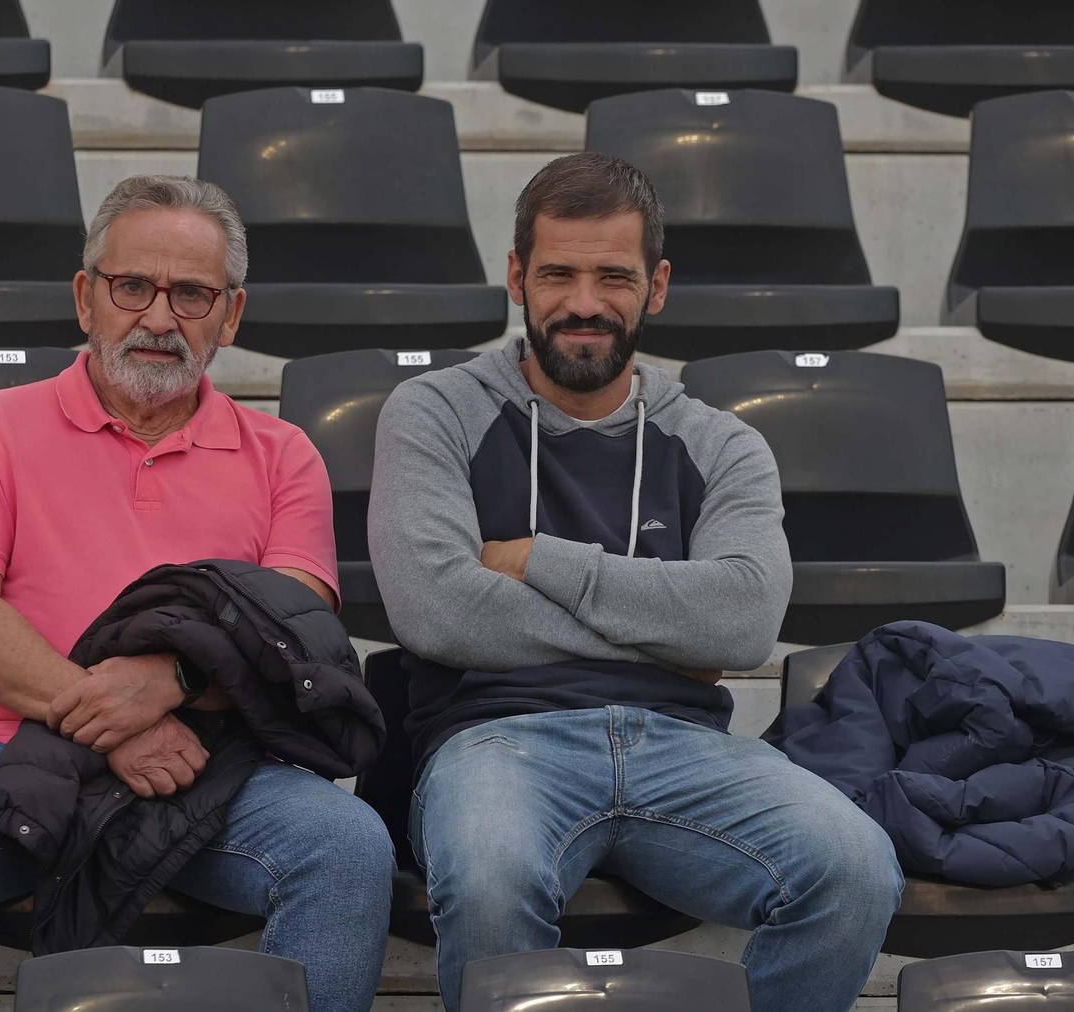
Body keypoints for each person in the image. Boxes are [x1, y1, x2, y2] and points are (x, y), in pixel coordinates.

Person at [0, 175, 394, 1012]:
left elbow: (292, 636)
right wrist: (109, 721)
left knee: (349, 846)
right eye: (132, 286)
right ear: (85, 298)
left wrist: (170, 684)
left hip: (214, 764)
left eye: (193, 294)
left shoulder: (285, 456)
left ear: (232, 317)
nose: (160, 318)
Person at [367, 152, 903, 1012]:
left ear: (656, 286)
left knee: (856, 868)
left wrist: (539, 557)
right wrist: (665, 636)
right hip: (497, 739)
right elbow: (439, 610)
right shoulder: (437, 412)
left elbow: (742, 624)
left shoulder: (723, 444)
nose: (584, 302)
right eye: (558, 274)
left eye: (613, 275)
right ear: (516, 278)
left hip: (682, 745)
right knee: (494, 874)